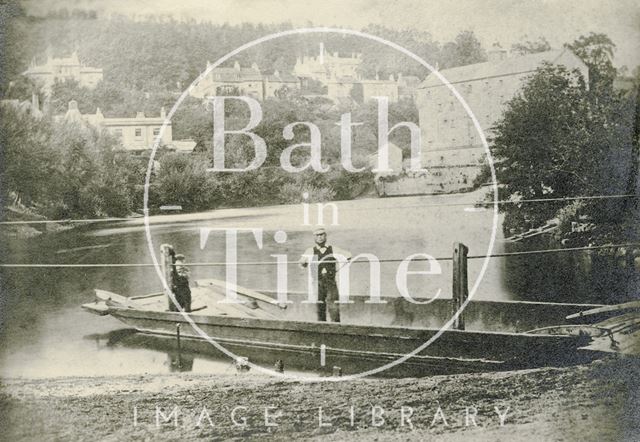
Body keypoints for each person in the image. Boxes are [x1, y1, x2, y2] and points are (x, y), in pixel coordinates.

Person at [299, 227, 351, 322]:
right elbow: (302, 263)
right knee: (319, 307)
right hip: (317, 283)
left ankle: (336, 329)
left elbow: (348, 256)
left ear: (325, 236)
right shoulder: (310, 251)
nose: (320, 237)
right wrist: (304, 262)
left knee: (334, 307)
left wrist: (338, 268)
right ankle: (322, 328)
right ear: (314, 238)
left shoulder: (333, 249)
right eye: (317, 235)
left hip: (330, 282)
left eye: (322, 234)